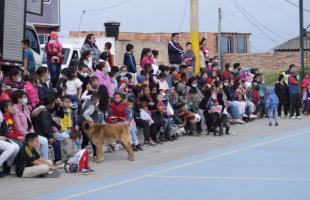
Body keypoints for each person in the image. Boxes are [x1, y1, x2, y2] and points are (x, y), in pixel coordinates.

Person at [11, 90, 49, 160]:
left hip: (30, 132)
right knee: (40, 141)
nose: (26, 99)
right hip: (22, 134)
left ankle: (45, 160)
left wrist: (32, 132)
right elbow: (18, 126)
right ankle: (38, 161)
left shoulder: (25, 107)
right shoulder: (14, 109)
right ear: (19, 99)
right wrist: (29, 135)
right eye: (24, 97)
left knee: (44, 141)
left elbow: (30, 121)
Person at [31, 95, 62, 162]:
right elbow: (45, 126)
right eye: (54, 103)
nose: (54, 104)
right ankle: (57, 161)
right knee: (56, 143)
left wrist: (58, 126)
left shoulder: (42, 108)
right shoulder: (45, 112)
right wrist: (50, 136)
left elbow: (50, 121)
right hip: (40, 133)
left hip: (41, 131)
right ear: (50, 104)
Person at [0, 109, 20, 177]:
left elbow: (4, 125)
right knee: (11, 147)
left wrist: (4, 136)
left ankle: (7, 166)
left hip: (2, 137)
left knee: (16, 147)